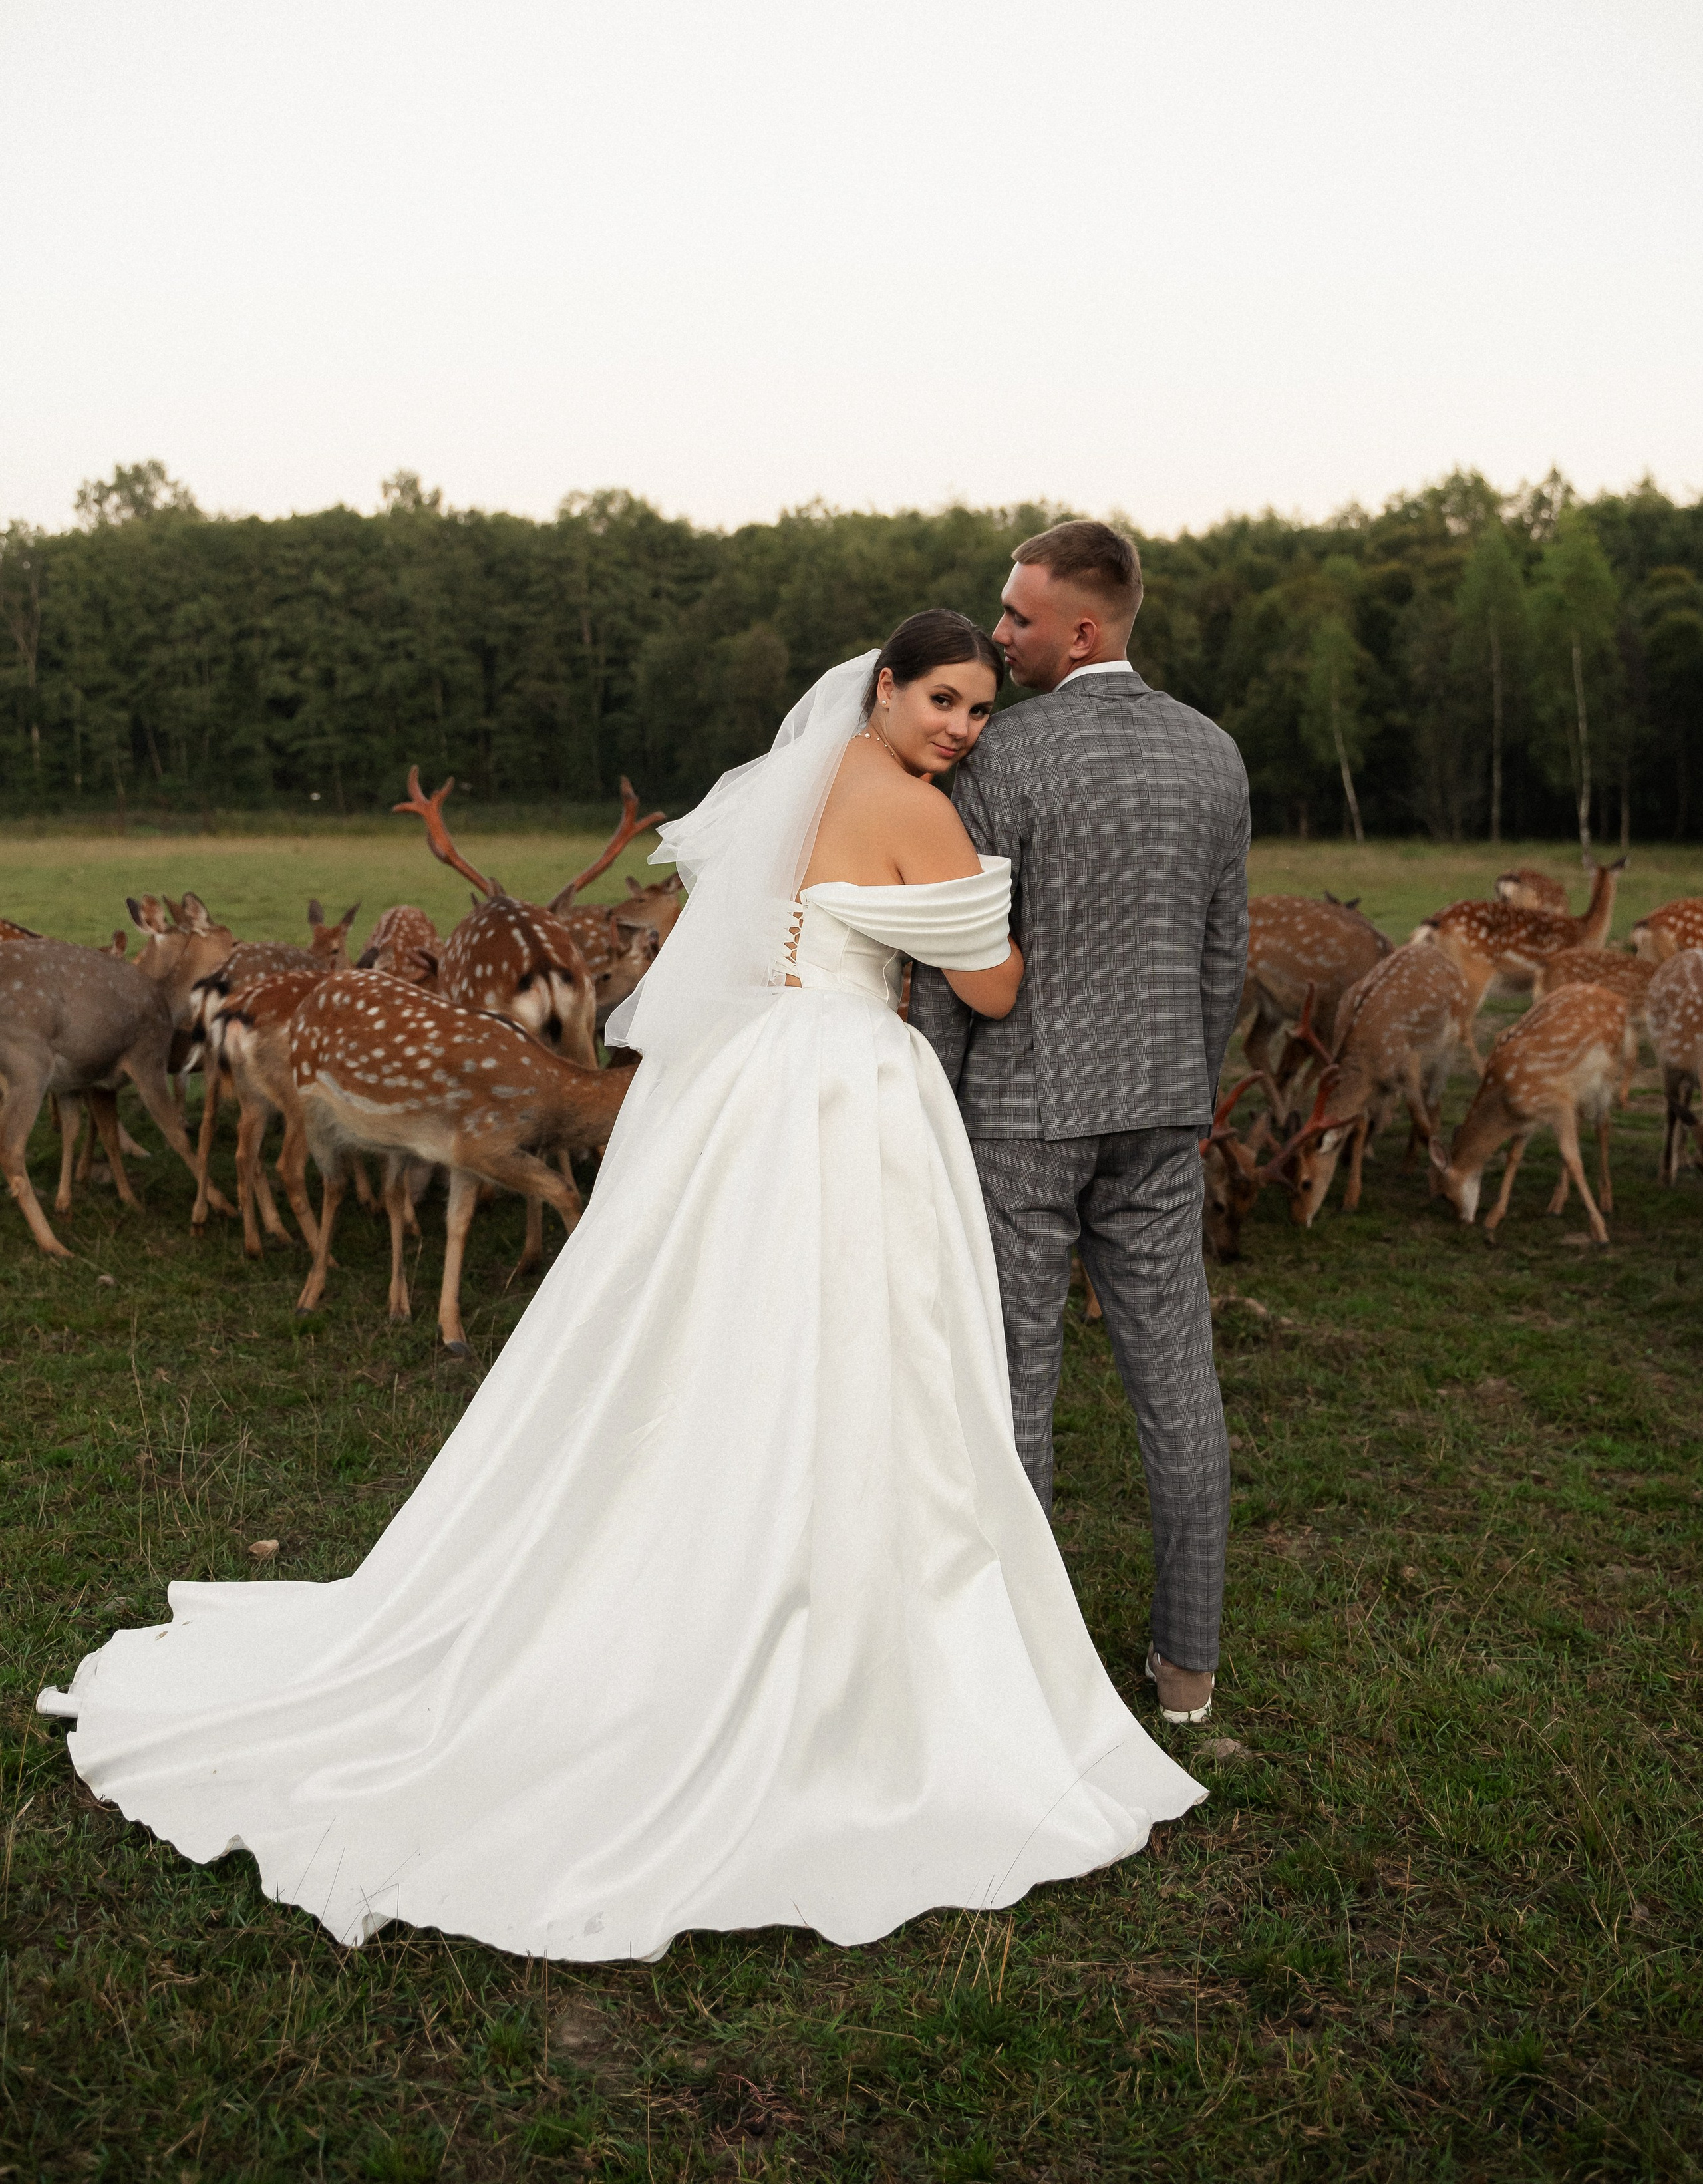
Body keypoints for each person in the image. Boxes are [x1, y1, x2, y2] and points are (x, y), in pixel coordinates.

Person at [39, 611, 1201, 1965]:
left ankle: (712, 1543)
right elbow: (992, 988)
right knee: (855, 1335)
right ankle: (821, 1599)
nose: (957, 727)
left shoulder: (800, 782)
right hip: (848, 1088)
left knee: (719, 1327)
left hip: (754, 1079)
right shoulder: (921, 817)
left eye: (975, 711)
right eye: (940, 698)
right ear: (882, 690)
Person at [909, 526, 1250, 1729]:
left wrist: (933, 1115)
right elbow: (1225, 957)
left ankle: (1025, 1665)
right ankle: (1188, 1671)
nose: (999, 633)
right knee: (1179, 1382)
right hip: (1161, 1109)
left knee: (1018, 1391)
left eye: (1018, 617)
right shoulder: (1215, 755)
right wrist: (1189, 1095)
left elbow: (962, 953)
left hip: (1020, 1114)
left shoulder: (1005, 757)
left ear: (1084, 631)